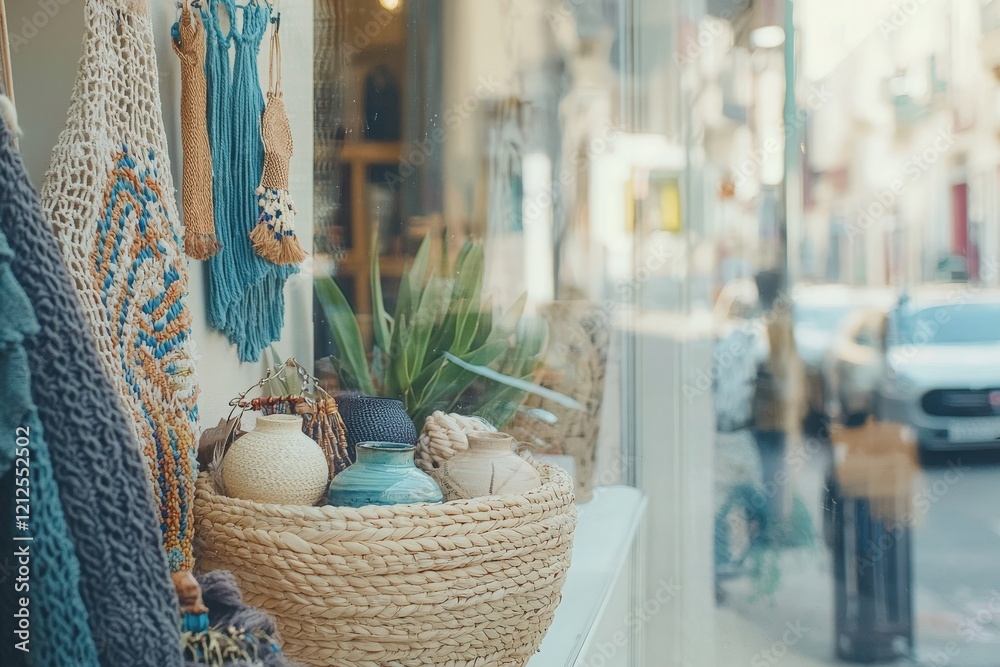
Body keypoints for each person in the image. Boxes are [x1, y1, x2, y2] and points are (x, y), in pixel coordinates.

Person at [751, 269, 807, 528]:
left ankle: (775, 524)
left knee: (773, 470)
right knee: (773, 470)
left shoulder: (774, 322)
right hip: (773, 413)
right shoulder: (775, 320)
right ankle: (775, 521)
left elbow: (782, 368)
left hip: (772, 412)